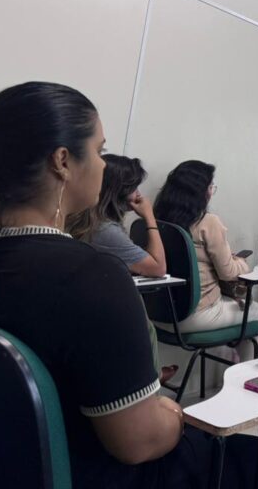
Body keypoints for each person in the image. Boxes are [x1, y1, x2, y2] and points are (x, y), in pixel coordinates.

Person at [0, 82, 258, 487]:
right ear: (63, 161)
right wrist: (173, 413)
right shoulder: (89, 276)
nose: (103, 165)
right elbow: (139, 443)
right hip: (87, 473)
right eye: (99, 151)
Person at [67, 154, 177, 385]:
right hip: (99, 310)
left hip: (79, 303)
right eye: (133, 188)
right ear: (118, 191)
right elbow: (158, 267)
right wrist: (149, 217)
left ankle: (153, 375)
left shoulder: (85, 218)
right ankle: (152, 383)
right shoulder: (104, 230)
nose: (138, 194)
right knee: (144, 325)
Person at [153, 160, 258, 352]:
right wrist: (241, 262)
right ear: (200, 192)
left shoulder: (158, 219)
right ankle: (248, 372)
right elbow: (229, 273)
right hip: (196, 314)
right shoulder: (208, 222)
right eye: (210, 186)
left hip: (159, 315)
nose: (211, 192)